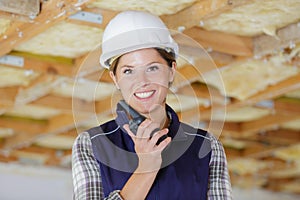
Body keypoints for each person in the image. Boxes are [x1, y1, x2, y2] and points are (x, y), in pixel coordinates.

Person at [72, 10, 232, 200]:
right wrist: (147, 167)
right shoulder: (92, 144)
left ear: (172, 71)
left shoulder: (207, 146)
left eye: (153, 68)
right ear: (115, 78)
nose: (142, 81)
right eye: (128, 71)